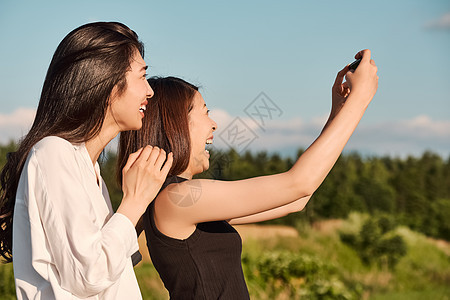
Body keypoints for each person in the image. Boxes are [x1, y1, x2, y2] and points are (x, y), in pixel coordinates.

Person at [118, 49, 378, 299]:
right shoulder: (177, 199)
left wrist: (339, 112)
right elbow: (298, 184)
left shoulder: (183, 202)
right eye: (205, 112)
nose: (214, 124)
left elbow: (296, 200)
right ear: (176, 126)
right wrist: (360, 99)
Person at [0, 22, 173, 299]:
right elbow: (88, 275)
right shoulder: (53, 153)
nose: (150, 91)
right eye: (142, 76)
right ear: (105, 80)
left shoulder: (90, 170)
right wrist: (134, 201)